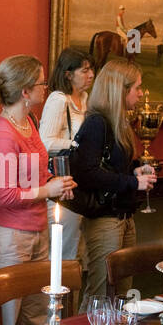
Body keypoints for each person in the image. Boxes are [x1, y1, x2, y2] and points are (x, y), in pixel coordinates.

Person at [0, 55, 75, 325]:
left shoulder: (29, 121)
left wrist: (55, 182)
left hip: (36, 232)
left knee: (36, 320)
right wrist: (48, 190)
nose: (46, 87)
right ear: (25, 91)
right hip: (7, 240)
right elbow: (2, 196)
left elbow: (32, 174)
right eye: (42, 82)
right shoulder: (2, 133)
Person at [70, 58, 157, 299]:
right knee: (101, 293)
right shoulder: (97, 123)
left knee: (121, 292)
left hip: (124, 216)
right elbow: (86, 173)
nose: (140, 94)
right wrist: (132, 182)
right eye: (137, 88)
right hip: (105, 219)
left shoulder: (119, 123)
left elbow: (110, 169)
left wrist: (133, 173)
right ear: (120, 90)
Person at [39, 47, 94, 264]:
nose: (90, 75)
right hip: (62, 185)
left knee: (76, 252)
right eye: (84, 70)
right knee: (64, 253)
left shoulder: (86, 98)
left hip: (80, 183)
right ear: (68, 74)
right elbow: (45, 142)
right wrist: (78, 145)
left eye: (91, 70)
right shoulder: (58, 100)